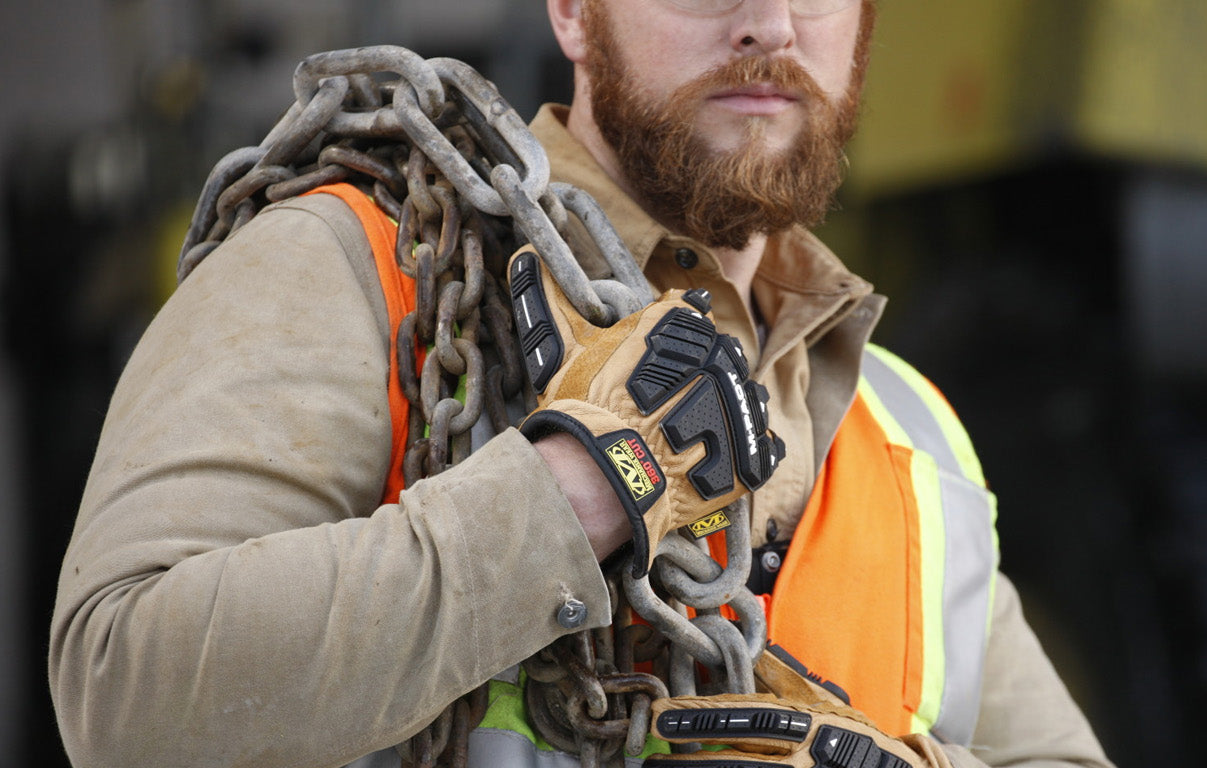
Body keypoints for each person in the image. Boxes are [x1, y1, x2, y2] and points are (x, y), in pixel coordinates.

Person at [49, 1, 1115, 767]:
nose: (770, 25)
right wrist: (584, 489)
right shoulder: (353, 276)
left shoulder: (906, 430)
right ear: (570, 11)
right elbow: (120, 694)